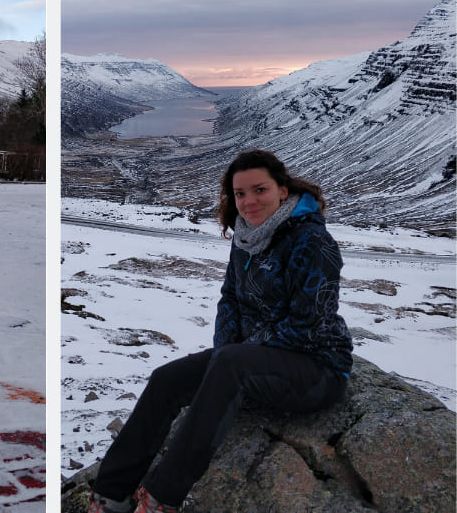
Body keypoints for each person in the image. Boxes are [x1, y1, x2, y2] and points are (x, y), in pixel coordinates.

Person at [88, 149, 353, 513]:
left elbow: (310, 323)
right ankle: (110, 495)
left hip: (316, 368)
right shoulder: (246, 237)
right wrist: (225, 354)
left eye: (259, 190)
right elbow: (230, 298)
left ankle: (161, 499)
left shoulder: (312, 243)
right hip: (254, 362)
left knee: (228, 363)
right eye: (240, 193)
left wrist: (234, 358)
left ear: (282, 189)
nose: (248, 201)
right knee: (166, 379)